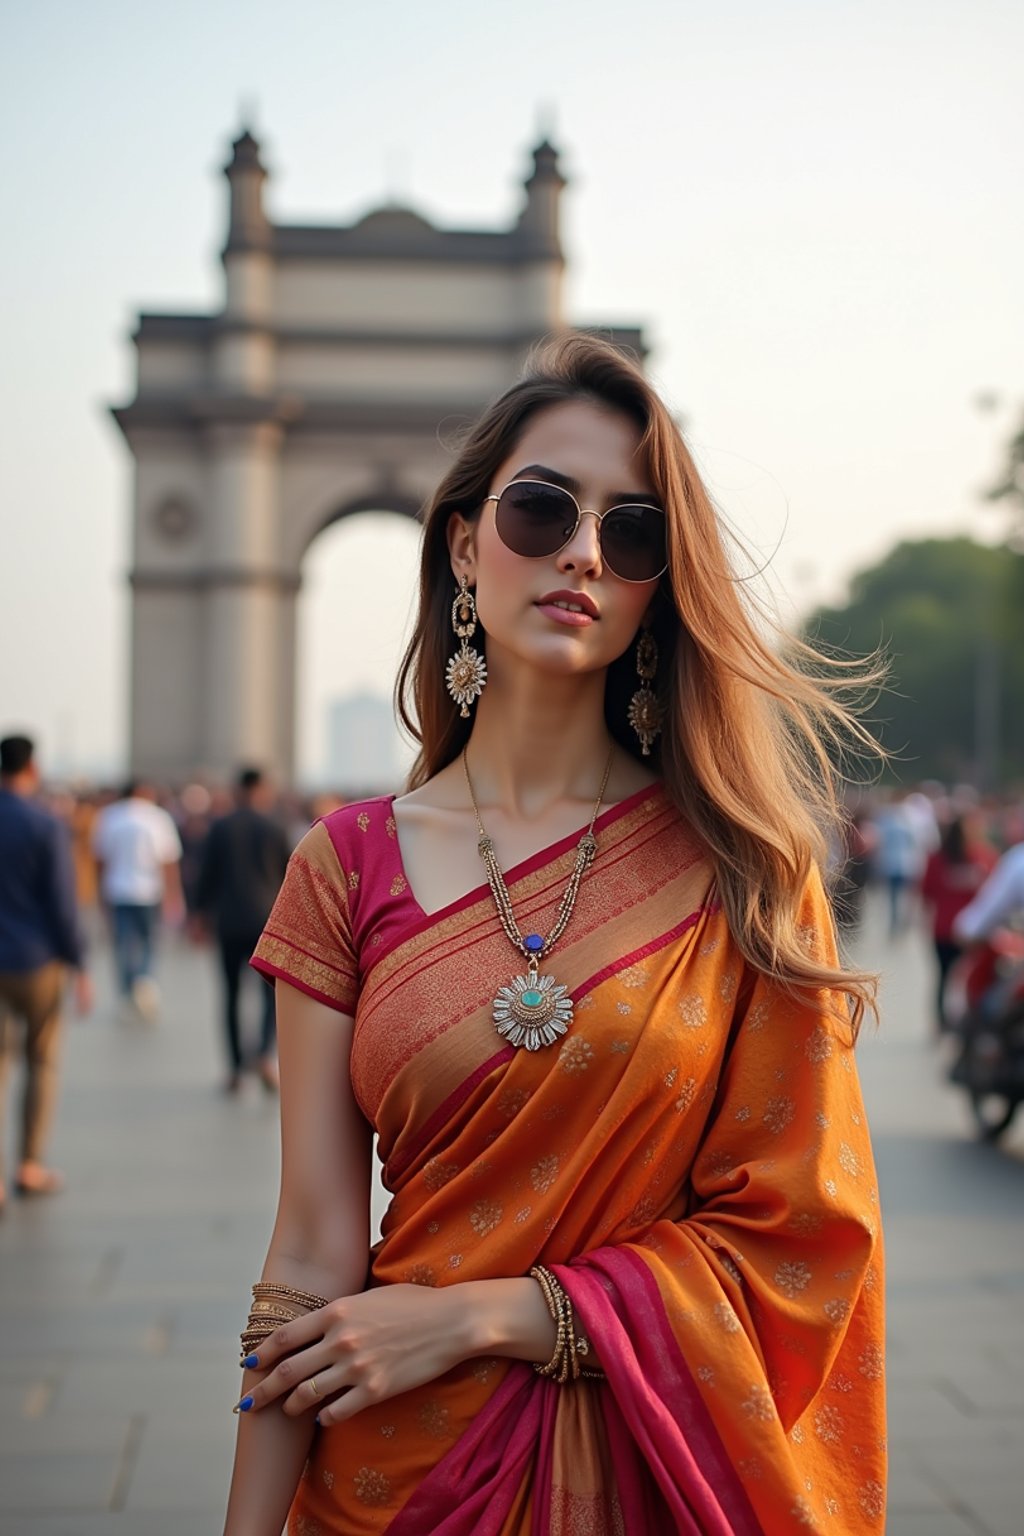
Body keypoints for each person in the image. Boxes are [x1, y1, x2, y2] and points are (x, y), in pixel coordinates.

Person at [224, 337, 886, 1535]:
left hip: (651, 1479)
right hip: (389, 1485)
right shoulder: (344, 864)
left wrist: (485, 1314)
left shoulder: (743, 869)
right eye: (541, 510)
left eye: (631, 533)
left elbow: (802, 1244)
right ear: (465, 544)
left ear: (654, 588)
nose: (583, 549)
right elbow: (312, 1248)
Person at [0, 735, 93, 1206]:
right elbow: (63, 903)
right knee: (41, 1060)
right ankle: (29, 1164)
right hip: (37, 961)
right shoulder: (45, 824)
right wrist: (80, 963)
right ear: (32, 768)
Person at [195, 767, 292, 1093]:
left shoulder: (220, 827)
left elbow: (206, 875)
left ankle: (236, 1068)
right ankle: (264, 1055)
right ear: (262, 789)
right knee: (270, 996)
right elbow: (289, 878)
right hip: (268, 922)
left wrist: (197, 915)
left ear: (239, 790)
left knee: (231, 995)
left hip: (229, 921)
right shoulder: (276, 827)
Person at [91, 780, 184, 1021]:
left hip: (118, 890)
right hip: (149, 891)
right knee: (148, 941)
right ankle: (144, 982)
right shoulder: (157, 817)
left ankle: (126, 991)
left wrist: (100, 893)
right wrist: (173, 893)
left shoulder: (109, 817)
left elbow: (100, 859)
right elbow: (168, 859)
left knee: (122, 944)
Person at [920, 816, 996, 1029]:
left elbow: (926, 892)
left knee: (944, 977)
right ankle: (967, 1021)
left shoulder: (937, 859)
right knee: (970, 978)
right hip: (973, 933)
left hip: (944, 929)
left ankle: (943, 1021)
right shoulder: (983, 857)